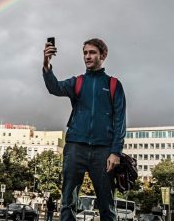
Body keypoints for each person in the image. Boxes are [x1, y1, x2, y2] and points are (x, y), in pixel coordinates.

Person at [43, 38, 126, 221]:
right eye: (85, 53)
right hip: (75, 147)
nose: (87, 56)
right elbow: (54, 87)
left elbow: (120, 120)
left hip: (103, 151)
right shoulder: (77, 82)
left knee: (107, 204)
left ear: (103, 56)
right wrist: (46, 63)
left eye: (92, 52)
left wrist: (115, 152)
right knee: (68, 202)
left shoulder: (113, 85)